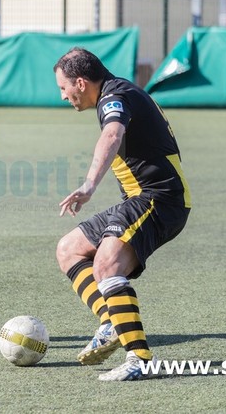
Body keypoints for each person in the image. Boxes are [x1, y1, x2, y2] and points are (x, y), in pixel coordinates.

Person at [53, 47, 191, 381]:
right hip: (139, 200)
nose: (63, 96)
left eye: (63, 88)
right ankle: (111, 322)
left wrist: (88, 185)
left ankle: (139, 358)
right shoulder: (118, 91)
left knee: (106, 264)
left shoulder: (114, 97)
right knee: (68, 249)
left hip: (160, 199)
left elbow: (113, 134)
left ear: (81, 83)